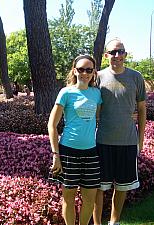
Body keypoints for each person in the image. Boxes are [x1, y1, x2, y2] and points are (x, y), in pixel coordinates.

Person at [92, 39, 147, 225]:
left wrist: (140, 141)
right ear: (106, 55)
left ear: (125, 54)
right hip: (102, 141)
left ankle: (114, 222)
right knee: (99, 188)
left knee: (122, 187)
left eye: (120, 51)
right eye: (113, 52)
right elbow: (92, 105)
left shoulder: (136, 77)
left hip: (128, 142)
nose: (117, 55)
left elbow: (141, 110)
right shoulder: (97, 77)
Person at [48, 55, 102, 225]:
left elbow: (100, 118)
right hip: (68, 152)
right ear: (74, 70)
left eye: (89, 70)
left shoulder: (96, 93)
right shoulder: (66, 92)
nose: (84, 73)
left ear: (93, 72)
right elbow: (52, 125)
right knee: (68, 200)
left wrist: (130, 116)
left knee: (89, 200)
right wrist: (56, 155)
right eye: (81, 69)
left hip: (91, 153)